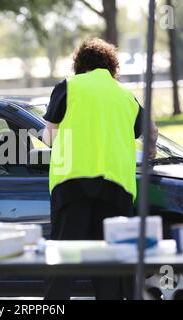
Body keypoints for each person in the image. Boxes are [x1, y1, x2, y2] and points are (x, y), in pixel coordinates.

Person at [42, 38, 159, 300]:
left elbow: (49, 137)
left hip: (72, 185)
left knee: (62, 262)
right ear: (111, 66)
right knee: (111, 268)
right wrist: (150, 150)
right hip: (116, 188)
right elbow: (151, 131)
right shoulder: (125, 96)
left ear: (79, 64)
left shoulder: (69, 87)